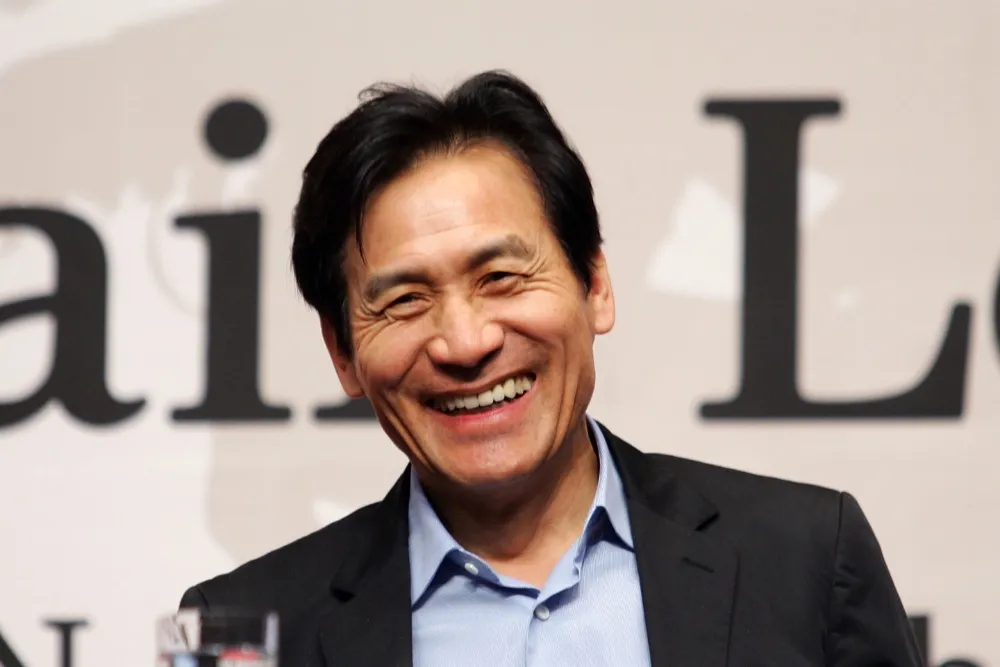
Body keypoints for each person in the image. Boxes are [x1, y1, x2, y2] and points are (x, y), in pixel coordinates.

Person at [180, 70, 922, 667]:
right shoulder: (249, 630)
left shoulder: (804, 559)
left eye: (501, 277)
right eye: (405, 301)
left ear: (595, 284)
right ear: (342, 352)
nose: (465, 342)